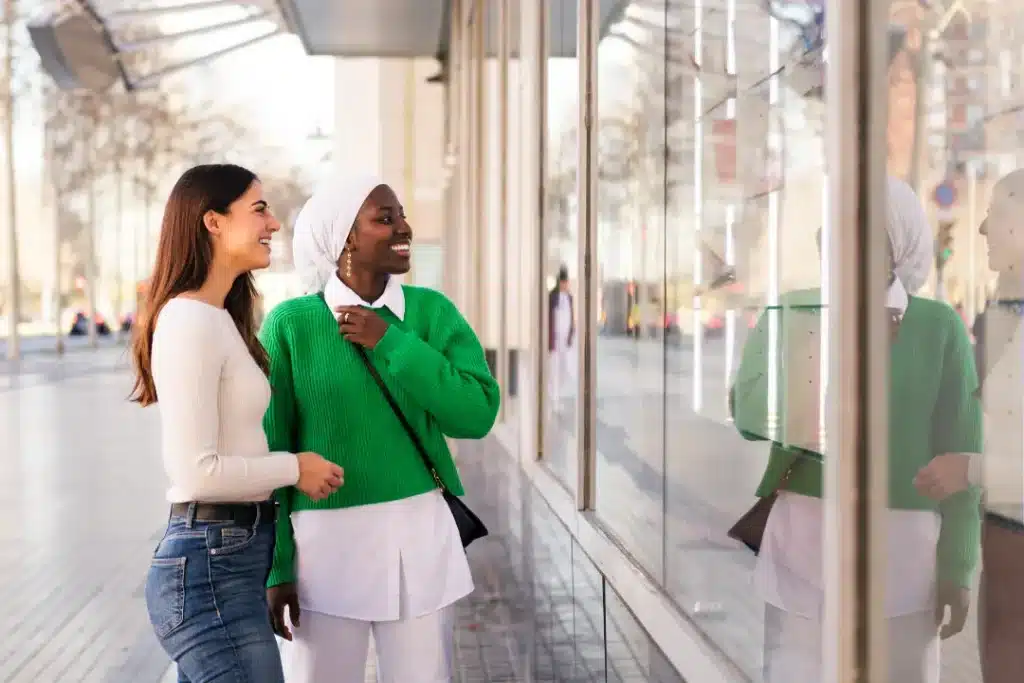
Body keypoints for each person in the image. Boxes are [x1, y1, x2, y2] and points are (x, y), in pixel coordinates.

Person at [732, 176, 982, 683]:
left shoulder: (939, 328)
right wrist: (816, 357)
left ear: (898, 244)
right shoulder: (792, 311)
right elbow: (748, 416)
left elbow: (962, 452)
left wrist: (957, 567)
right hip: (800, 554)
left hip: (905, 569)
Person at [261, 174, 500, 683]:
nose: (403, 227)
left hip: (419, 538)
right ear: (345, 235)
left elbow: (477, 413)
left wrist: (392, 342)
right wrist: (278, 566)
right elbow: (274, 450)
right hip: (324, 550)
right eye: (385, 218)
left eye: (401, 215)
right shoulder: (291, 325)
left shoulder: (432, 313)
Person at [130, 164, 344, 683]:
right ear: (213, 222)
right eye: (258, 209)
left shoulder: (218, 317)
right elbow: (197, 471)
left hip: (230, 559)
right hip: (209, 568)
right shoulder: (189, 320)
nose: (273, 223)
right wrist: (295, 467)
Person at [915, 168, 1024, 683]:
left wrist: (972, 468)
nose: (981, 230)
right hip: (1003, 545)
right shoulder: (1002, 313)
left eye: (998, 215)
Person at [547, 265, 575, 401]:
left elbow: (571, 316)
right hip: (554, 339)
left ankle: (557, 392)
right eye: (565, 282)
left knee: (564, 368)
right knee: (554, 368)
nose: (566, 284)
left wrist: (571, 334)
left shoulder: (569, 297)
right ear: (561, 282)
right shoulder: (552, 297)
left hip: (565, 339)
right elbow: (548, 318)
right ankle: (553, 395)